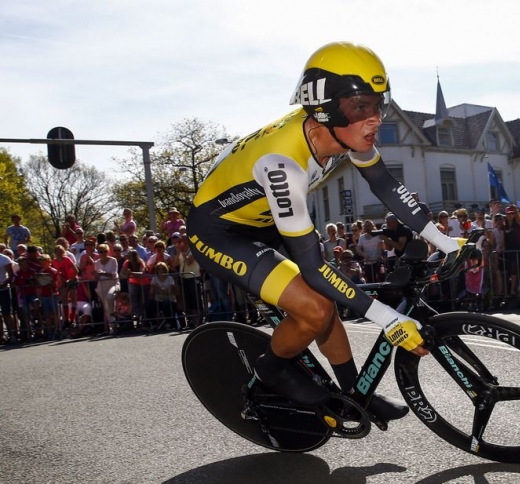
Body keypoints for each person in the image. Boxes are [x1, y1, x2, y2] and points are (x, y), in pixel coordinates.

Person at [185, 42, 459, 421]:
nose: (375, 118)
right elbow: (314, 270)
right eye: (360, 107)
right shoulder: (283, 163)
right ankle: (273, 368)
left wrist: (446, 241)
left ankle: (354, 395)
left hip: (267, 222)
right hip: (220, 233)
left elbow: (385, 185)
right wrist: (389, 319)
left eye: (377, 104)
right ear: (326, 109)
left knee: (328, 303)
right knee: (316, 307)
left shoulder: (342, 133)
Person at [94, 243, 121, 334]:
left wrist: (103, 273)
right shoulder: (96, 263)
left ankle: (113, 324)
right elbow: (97, 277)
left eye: (105, 251)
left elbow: (113, 274)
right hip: (102, 285)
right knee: (106, 307)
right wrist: (96, 275)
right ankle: (111, 327)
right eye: (101, 252)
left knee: (110, 298)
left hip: (113, 284)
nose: (103, 253)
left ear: (108, 251)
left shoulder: (113, 260)